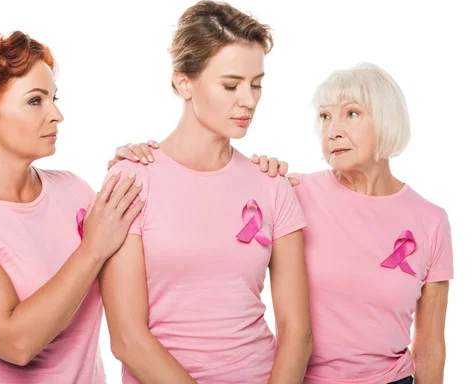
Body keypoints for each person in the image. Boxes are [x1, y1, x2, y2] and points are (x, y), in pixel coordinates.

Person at [114, 63, 453, 384]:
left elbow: (430, 345)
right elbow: (212, 199)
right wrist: (143, 161)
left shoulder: (431, 221)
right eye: (324, 117)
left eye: (351, 114)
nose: (333, 131)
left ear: (387, 119)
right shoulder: (289, 190)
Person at [99, 0, 313, 384]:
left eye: (257, 84)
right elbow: (127, 338)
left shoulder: (273, 184)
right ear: (184, 83)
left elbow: (297, 332)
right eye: (231, 85)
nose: (248, 100)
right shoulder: (132, 179)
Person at [0, 30, 145, 383]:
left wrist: (140, 174)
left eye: (54, 98)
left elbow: (140, 285)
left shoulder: (74, 189)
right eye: (36, 100)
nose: (57, 115)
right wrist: (92, 249)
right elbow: (16, 343)